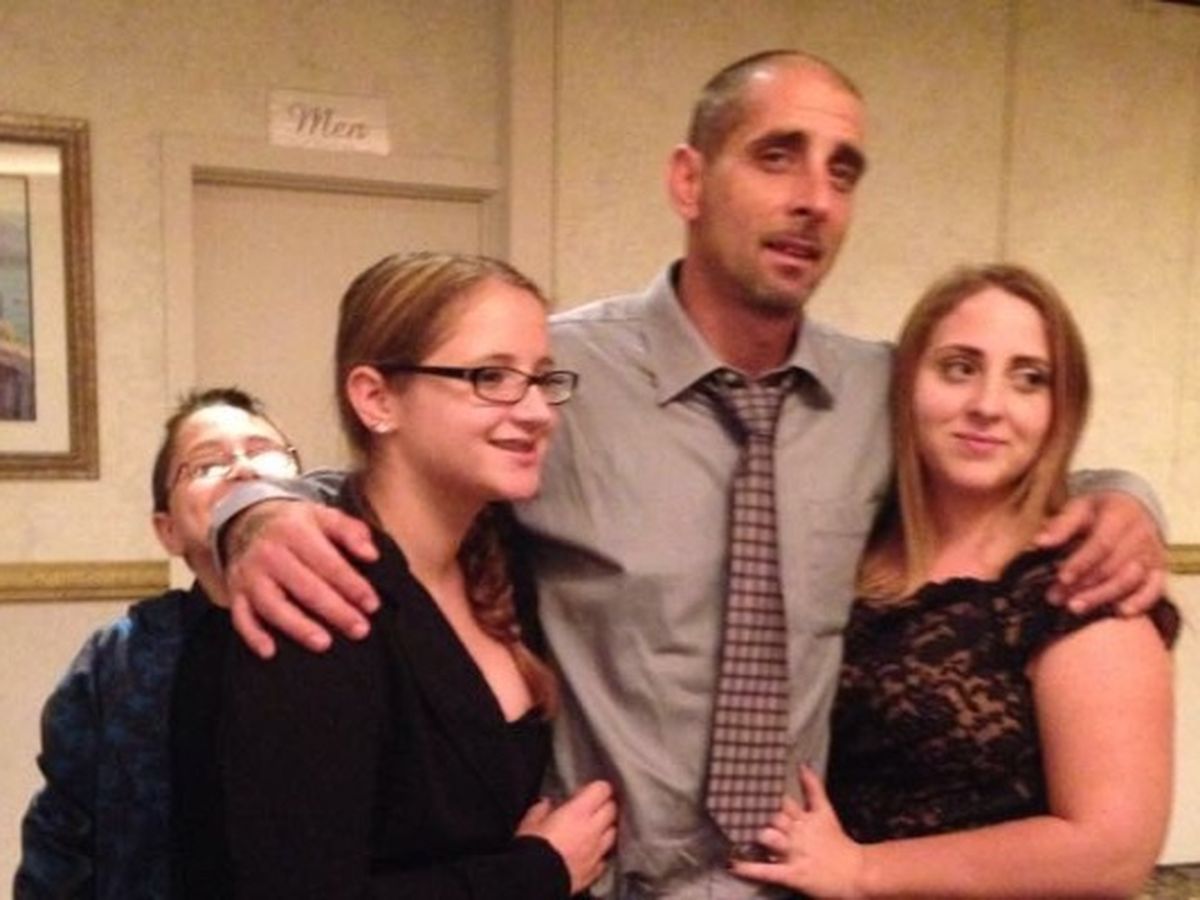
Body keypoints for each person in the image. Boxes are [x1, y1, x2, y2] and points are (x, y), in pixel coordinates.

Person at [213, 52, 1168, 899]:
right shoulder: (562, 377)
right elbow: (405, 463)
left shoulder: (880, 395)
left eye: (842, 170)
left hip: (802, 878)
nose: (815, 197)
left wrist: (1126, 498)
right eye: (777, 155)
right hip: (607, 879)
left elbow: (1007, 457)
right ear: (688, 179)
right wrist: (253, 512)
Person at [174, 251, 617, 899]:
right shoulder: (318, 595)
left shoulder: (505, 557)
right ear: (376, 398)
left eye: (542, 378)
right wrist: (537, 870)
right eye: (491, 376)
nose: (538, 412)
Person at [730, 263, 1179, 898]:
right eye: (959, 368)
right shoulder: (848, 553)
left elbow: (1110, 851)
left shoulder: (1081, 584)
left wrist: (863, 870)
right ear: (907, 385)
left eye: (1029, 378)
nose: (988, 406)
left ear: (1061, 409)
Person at [14, 387, 301, 900]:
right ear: (167, 530)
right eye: (206, 464)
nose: (242, 469)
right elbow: (61, 840)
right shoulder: (119, 660)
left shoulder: (366, 627)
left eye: (262, 452)